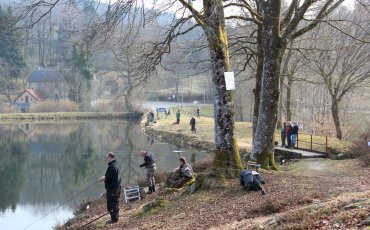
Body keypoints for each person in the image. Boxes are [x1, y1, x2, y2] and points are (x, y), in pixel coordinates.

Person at [99, 152, 121, 224]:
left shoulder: (112, 166)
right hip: (116, 187)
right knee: (115, 202)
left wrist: (103, 178)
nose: (106, 159)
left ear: (111, 157)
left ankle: (114, 220)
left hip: (112, 188)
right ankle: (116, 218)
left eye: (107, 157)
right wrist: (105, 178)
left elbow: (108, 176)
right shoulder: (116, 164)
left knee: (111, 204)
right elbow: (112, 176)